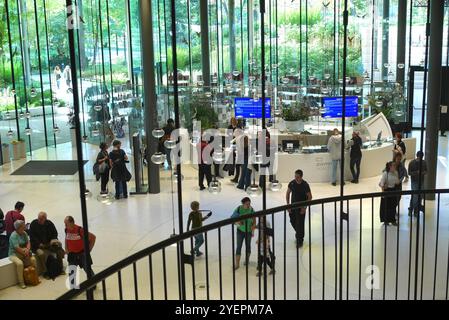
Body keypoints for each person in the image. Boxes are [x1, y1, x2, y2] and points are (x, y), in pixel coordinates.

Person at [29, 212, 61, 278]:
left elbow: (55, 233)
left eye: (41, 219)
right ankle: (45, 271)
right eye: (38, 218)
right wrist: (39, 244)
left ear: (45, 219)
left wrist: (53, 240)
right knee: (41, 254)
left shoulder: (49, 223)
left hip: (48, 244)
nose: (39, 220)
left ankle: (60, 268)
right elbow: (32, 237)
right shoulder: (33, 224)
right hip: (37, 245)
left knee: (59, 250)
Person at [286, 169, 312, 248]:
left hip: (301, 208)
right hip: (293, 207)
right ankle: (299, 234)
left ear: (301, 177)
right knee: (293, 221)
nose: (296, 178)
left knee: (300, 223)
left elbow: (310, 197)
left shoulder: (305, 185)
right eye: (295, 176)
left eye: (297, 177)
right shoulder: (292, 183)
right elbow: (288, 193)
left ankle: (300, 240)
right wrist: (288, 205)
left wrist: (304, 208)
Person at [64, 216, 96, 280]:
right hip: (72, 255)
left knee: (87, 269)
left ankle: (93, 282)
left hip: (82, 254)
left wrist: (89, 250)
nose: (65, 225)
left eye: (66, 224)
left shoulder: (80, 230)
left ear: (72, 223)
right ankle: (73, 288)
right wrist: (66, 248)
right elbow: (66, 238)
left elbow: (93, 237)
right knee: (71, 273)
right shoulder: (66, 229)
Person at [9, 220, 37, 289]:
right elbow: (17, 248)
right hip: (14, 254)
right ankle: (21, 282)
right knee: (20, 264)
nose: (25, 226)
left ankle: (34, 277)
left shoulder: (24, 233)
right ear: (19, 227)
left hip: (24, 252)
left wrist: (27, 250)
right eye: (23, 225)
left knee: (33, 259)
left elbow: (28, 242)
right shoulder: (13, 235)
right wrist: (25, 253)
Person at [233, 197, 256, 270]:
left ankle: (247, 260)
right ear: (243, 204)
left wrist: (253, 228)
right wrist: (238, 223)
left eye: (249, 203)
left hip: (248, 232)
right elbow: (232, 219)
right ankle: (237, 264)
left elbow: (254, 220)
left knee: (248, 246)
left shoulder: (251, 209)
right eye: (247, 204)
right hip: (240, 231)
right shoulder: (239, 209)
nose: (249, 205)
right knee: (238, 247)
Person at [379, 161, 401, 226]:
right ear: (390, 167)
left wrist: (398, 182)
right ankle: (386, 221)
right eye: (393, 165)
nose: (395, 167)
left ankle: (393, 220)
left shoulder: (396, 173)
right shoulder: (385, 173)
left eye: (395, 165)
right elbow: (381, 183)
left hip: (393, 190)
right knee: (386, 206)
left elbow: (397, 181)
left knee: (393, 206)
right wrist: (383, 192)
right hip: (386, 191)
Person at [408, 151, 428, 217]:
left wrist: (422, 173)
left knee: (419, 196)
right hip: (414, 182)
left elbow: (426, 171)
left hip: (421, 182)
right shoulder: (412, 163)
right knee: (415, 196)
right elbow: (409, 173)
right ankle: (411, 210)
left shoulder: (424, 162)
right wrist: (416, 172)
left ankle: (415, 210)